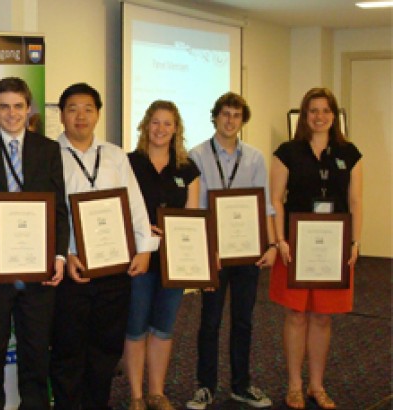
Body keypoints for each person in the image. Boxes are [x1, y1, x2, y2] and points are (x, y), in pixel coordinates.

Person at [0, 77, 69, 410]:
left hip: (38, 270)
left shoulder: (48, 150)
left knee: (35, 353)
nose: (11, 114)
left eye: (18, 106)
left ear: (29, 109)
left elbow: (59, 209)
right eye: (4, 107)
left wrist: (59, 256)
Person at [49, 83, 157, 410]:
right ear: (62, 115)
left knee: (106, 347)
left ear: (97, 114)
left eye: (88, 109)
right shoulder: (48, 156)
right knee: (68, 349)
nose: (80, 116)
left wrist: (145, 248)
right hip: (73, 268)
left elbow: (135, 204)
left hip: (114, 268)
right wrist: (65, 253)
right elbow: (49, 212)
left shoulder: (114, 155)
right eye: (72, 109)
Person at [269, 87, 362, 410]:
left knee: (323, 317)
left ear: (334, 116)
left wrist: (355, 241)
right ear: (304, 116)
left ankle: (316, 386)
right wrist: (279, 239)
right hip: (294, 246)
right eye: (313, 111)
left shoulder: (349, 153)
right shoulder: (287, 152)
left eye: (325, 111)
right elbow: (276, 200)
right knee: (295, 314)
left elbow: (355, 201)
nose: (319, 116)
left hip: (333, 247)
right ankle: (294, 385)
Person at [185, 92, 276, 409]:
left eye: (236, 115)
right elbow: (195, 208)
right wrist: (204, 251)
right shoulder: (196, 156)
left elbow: (265, 205)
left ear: (242, 120)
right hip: (214, 253)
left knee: (244, 321)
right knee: (209, 322)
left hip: (247, 251)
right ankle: (205, 386)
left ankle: (241, 384)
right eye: (224, 114)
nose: (230, 120)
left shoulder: (254, 158)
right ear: (215, 117)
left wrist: (271, 244)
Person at [125, 100, 200, 410]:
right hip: (140, 258)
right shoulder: (128, 163)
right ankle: (136, 396)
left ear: (176, 129)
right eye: (155, 122)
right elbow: (121, 210)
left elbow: (193, 216)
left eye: (167, 123)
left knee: (164, 328)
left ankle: (156, 391)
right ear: (145, 126)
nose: (161, 129)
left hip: (175, 261)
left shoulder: (187, 169)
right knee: (136, 327)